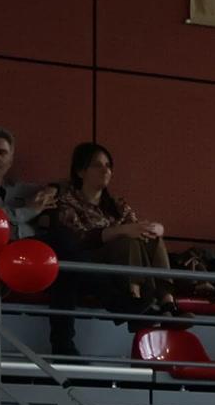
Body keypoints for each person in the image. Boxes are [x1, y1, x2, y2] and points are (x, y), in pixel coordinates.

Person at [27, 140, 171, 327]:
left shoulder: (116, 205)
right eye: (97, 165)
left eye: (108, 166)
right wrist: (120, 231)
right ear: (81, 172)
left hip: (124, 259)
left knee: (150, 239)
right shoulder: (66, 201)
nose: (106, 171)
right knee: (126, 241)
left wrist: (155, 229)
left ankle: (168, 302)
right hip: (91, 264)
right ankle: (134, 301)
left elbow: (137, 227)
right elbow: (77, 240)